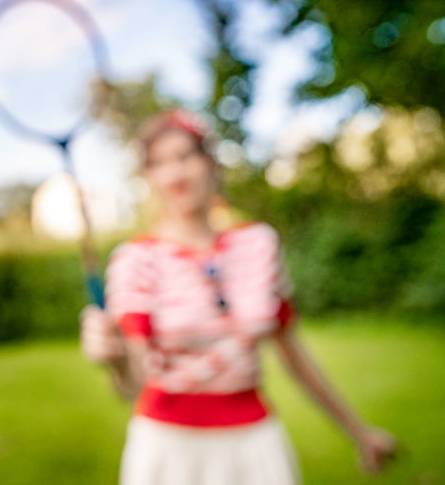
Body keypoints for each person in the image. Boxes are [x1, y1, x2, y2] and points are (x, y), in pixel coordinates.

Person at [79, 109, 397, 485]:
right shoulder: (135, 261)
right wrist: (113, 361)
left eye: (185, 156)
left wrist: (358, 432)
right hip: (167, 446)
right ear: (147, 177)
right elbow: (132, 385)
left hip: (254, 441)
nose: (175, 174)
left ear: (210, 162)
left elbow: (294, 355)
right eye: (159, 163)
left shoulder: (259, 244)